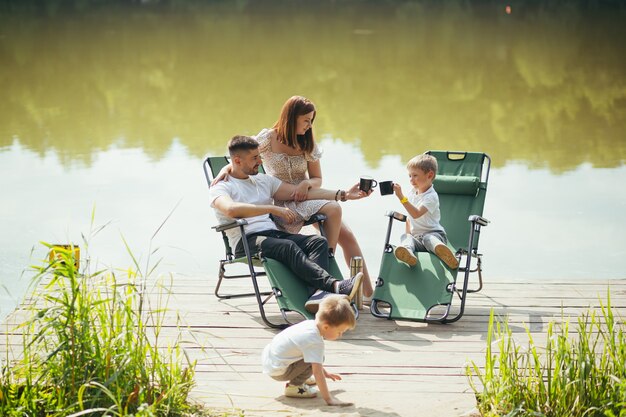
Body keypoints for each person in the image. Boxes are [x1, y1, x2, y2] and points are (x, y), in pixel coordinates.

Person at [212, 96, 374, 300]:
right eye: (306, 120)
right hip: (272, 212)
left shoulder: (267, 178)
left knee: (327, 238)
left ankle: (362, 294)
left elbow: (315, 180)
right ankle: (332, 285)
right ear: (292, 118)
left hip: (299, 194)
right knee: (291, 245)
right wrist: (227, 169)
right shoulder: (230, 181)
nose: (309, 125)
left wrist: (344, 194)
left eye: (311, 120)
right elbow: (244, 155)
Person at [262, 294, 355, 406]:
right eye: (339, 332)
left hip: (270, 360)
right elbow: (317, 371)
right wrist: (329, 399)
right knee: (318, 358)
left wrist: (326, 373)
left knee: (316, 357)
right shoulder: (315, 341)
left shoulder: (309, 324)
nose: (340, 335)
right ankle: (294, 386)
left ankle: (300, 376)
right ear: (326, 327)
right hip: (278, 372)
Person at [392, 154, 459, 269]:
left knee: (429, 239)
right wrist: (409, 235)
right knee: (405, 237)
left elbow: (416, 214)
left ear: (430, 175)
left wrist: (401, 197)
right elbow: (409, 218)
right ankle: (408, 253)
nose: (411, 180)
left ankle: (444, 253)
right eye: (409, 176)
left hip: (435, 235)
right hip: (418, 239)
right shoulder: (412, 193)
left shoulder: (431, 197)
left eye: (415, 175)